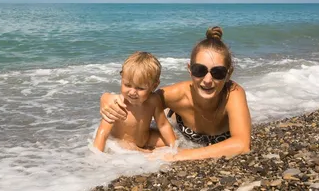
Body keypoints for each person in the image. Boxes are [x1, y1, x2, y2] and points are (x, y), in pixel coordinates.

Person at [100, 27, 251, 161]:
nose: (207, 80)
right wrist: (106, 98)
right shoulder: (175, 95)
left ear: (228, 74)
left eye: (218, 72)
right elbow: (140, 97)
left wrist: (181, 155)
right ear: (189, 69)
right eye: (200, 70)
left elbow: (242, 144)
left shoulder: (233, 94)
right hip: (175, 131)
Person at [93, 51, 176, 152]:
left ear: (154, 86)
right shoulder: (117, 104)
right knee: (122, 146)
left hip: (145, 139)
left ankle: (146, 149)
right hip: (121, 143)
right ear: (122, 79)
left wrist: (174, 148)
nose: (132, 92)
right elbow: (103, 132)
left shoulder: (153, 101)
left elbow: (163, 125)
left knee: (175, 140)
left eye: (140, 88)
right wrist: (97, 157)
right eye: (127, 85)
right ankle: (141, 151)